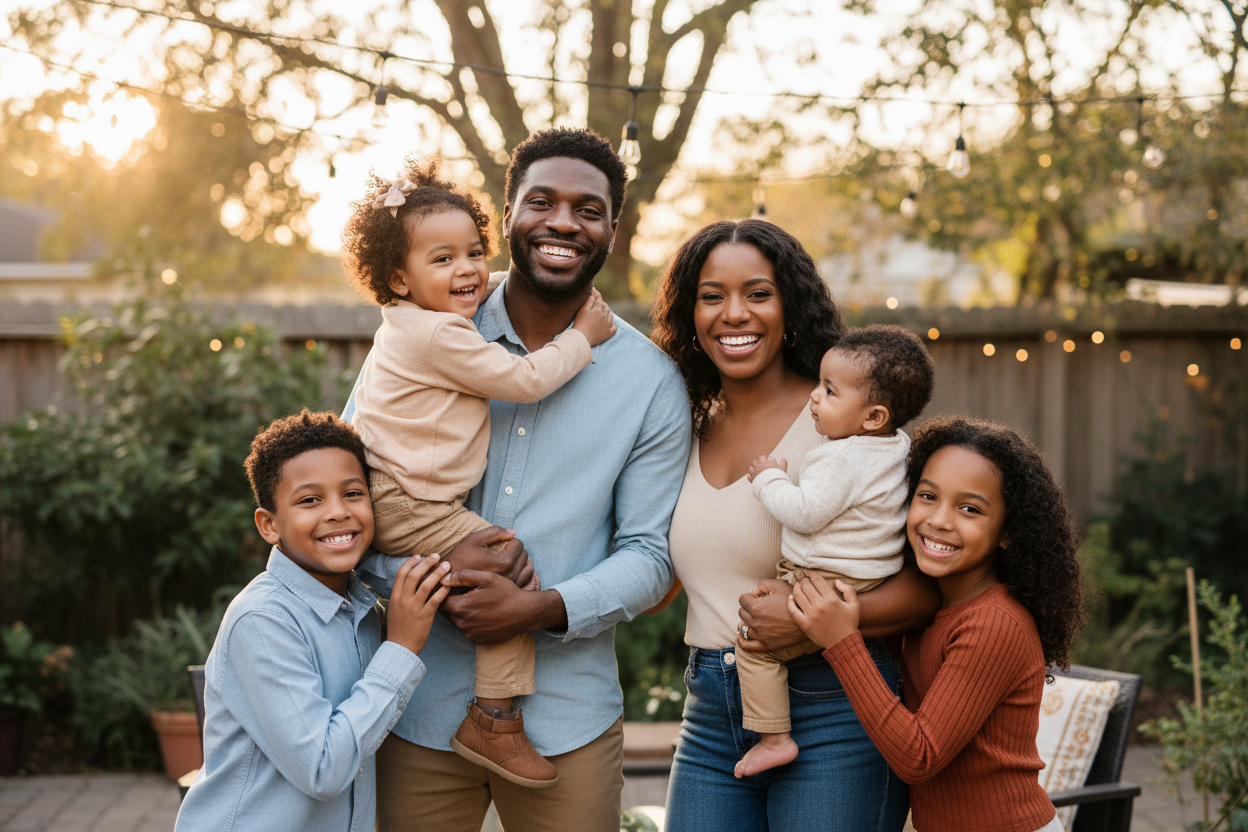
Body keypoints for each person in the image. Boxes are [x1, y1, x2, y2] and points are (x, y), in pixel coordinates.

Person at [347, 128, 692, 832]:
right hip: (414, 706)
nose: (563, 221)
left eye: (588, 209)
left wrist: (541, 609)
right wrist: (418, 579)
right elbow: (351, 499)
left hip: (568, 723)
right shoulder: (423, 330)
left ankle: (501, 713)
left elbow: (652, 559)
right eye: (541, 201)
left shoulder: (650, 381)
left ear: (612, 230)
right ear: (507, 215)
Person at [649, 218, 942, 832]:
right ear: (689, 312)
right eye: (711, 295)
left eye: (758, 293)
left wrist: (825, 617)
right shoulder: (682, 422)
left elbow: (929, 584)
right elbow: (664, 574)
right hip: (711, 708)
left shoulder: (850, 424)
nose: (734, 314)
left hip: (835, 705)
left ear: (790, 306)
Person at [340, 157, 617, 788]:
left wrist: (477, 275)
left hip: (394, 491)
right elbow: (524, 380)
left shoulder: (413, 319)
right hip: (411, 501)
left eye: (473, 252)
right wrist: (582, 335)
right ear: (398, 279)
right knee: (504, 571)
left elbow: (472, 282)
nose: (467, 271)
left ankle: (491, 716)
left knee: (497, 564)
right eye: (442, 260)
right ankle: (493, 720)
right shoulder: (443, 337)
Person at [791, 417, 1085, 832]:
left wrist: (842, 641)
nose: (940, 520)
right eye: (927, 496)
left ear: (1007, 531)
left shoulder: (994, 624)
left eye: (970, 509)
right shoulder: (931, 610)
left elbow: (919, 755)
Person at [175, 410, 449, 832]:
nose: (338, 512)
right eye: (310, 500)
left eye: (353, 493)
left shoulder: (364, 610)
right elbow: (323, 770)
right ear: (269, 525)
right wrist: (401, 648)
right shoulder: (263, 620)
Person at [734, 325, 935, 778]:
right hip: (863, 578)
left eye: (829, 390)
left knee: (753, 645)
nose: (814, 397)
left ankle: (773, 738)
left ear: (872, 417)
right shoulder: (896, 447)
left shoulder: (840, 457)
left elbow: (804, 513)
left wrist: (769, 478)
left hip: (825, 581)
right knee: (771, 597)